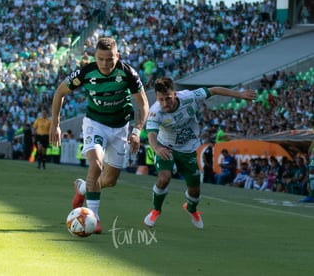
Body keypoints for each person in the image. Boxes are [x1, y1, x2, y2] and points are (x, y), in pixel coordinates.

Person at [49, 37, 149, 234]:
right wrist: (55, 124)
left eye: (109, 59)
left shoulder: (128, 73)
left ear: (117, 56)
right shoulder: (85, 73)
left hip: (121, 128)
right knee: (96, 165)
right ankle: (92, 217)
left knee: (110, 180)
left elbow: (143, 103)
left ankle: (83, 189)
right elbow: (60, 92)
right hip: (95, 124)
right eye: (101, 59)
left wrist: (137, 130)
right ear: (95, 57)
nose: (105, 63)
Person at [143, 76, 256, 229]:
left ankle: (191, 209)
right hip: (165, 147)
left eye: (168, 98)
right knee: (164, 177)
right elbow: (151, 135)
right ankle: (156, 210)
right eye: (160, 99)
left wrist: (240, 95)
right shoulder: (155, 112)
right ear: (156, 97)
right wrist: (156, 148)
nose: (165, 103)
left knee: (195, 189)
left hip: (188, 149)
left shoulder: (189, 97)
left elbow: (215, 90)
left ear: (175, 94)